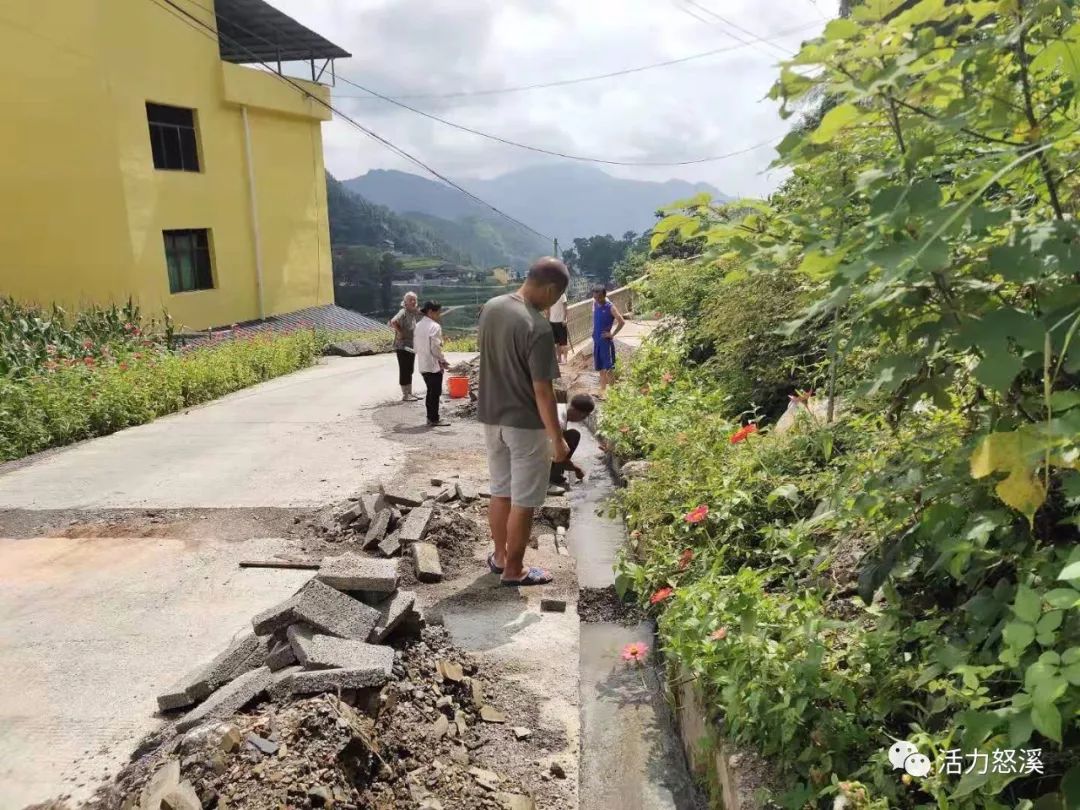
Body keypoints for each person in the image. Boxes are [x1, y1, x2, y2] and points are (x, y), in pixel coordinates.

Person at [478, 256, 570, 586]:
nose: (554, 303)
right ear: (549, 289)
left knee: (500, 491)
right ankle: (515, 570)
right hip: (525, 425)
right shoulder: (538, 327)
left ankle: (500, 557)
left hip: (491, 419)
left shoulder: (491, 307)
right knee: (524, 500)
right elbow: (543, 391)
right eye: (556, 297)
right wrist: (557, 440)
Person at [414, 301, 450, 427]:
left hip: (423, 363)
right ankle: (434, 419)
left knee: (430, 391)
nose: (439, 315)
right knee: (435, 392)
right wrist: (442, 360)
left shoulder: (418, 325)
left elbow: (416, 346)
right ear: (430, 312)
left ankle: (431, 418)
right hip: (433, 364)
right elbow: (435, 347)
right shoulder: (434, 326)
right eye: (437, 312)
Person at [550, 393, 595, 484]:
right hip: (533, 451)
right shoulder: (559, 420)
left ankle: (556, 470)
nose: (582, 419)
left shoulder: (560, 408)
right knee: (573, 436)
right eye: (584, 416)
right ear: (578, 413)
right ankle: (551, 476)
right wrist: (576, 469)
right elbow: (556, 450)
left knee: (573, 434)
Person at [592, 285, 625, 398]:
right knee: (600, 368)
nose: (597, 300)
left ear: (604, 296)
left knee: (609, 368)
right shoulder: (595, 304)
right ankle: (602, 392)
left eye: (599, 297)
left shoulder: (610, 307)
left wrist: (612, 334)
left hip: (605, 342)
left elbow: (621, 321)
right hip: (597, 340)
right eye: (595, 297)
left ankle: (614, 395)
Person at [389, 292, 421, 401]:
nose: (413, 302)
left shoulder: (411, 313)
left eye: (414, 300)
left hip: (410, 346)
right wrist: (400, 332)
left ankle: (410, 393)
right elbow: (393, 322)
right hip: (402, 346)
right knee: (404, 369)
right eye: (410, 300)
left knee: (410, 369)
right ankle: (405, 395)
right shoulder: (403, 312)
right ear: (405, 302)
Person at [548, 290, 570, 363]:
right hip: (552, 321)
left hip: (561, 322)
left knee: (563, 342)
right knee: (556, 343)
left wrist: (565, 319)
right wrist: (548, 319)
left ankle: (565, 359)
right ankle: (559, 358)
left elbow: (565, 307)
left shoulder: (562, 295)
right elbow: (548, 308)